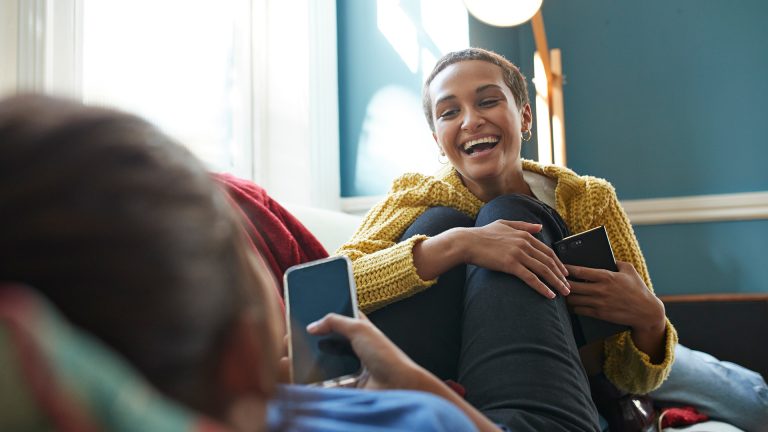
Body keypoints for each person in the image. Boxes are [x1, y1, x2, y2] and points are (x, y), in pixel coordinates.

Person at [0, 94, 501, 431]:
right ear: (241, 356)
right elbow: (349, 269)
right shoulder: (413, 416)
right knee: (483, 216)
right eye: (244, 247)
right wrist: (421, 385)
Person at [337, 47, 678, 428]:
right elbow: (328, 293)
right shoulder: (417, 195)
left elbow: (633, 379)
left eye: (488, 101)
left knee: (509, 212)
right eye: (449, 112)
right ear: (437, 139)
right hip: (434, 378)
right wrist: (457, 245)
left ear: (525, 115)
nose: (471, 120)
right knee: (443, 222)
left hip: (557, 392)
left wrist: (651, 320)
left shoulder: (588, 201)